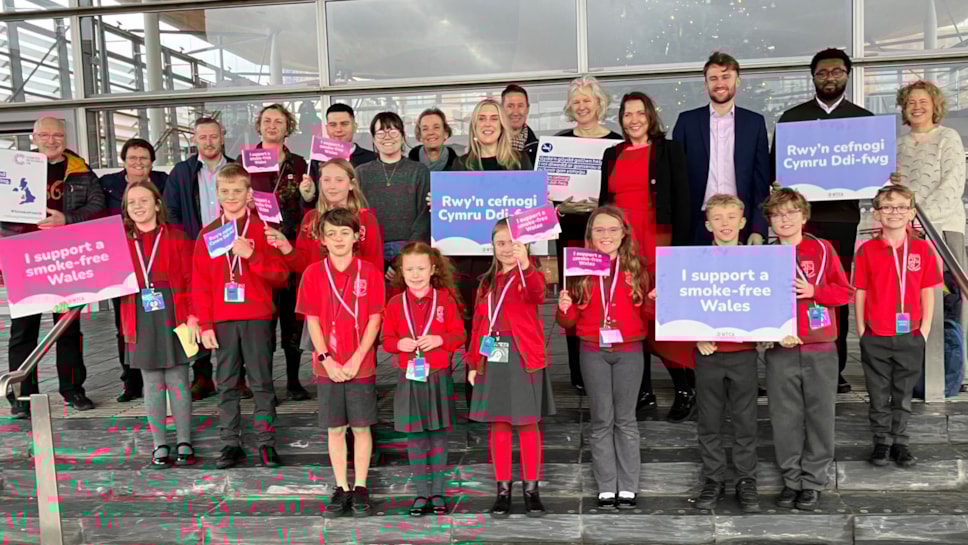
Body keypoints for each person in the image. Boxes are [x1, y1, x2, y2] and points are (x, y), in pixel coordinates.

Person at [770, 48, 874, 394]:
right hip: (798, 224)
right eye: (822, 72)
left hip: (841, 221)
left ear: (847, 74)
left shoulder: (863, 120)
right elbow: (777, 173)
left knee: (831, 293)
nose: (829, 77)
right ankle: (786, 355)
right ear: (813, 77)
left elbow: (873, 171)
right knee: (787, 291)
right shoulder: (792, 119)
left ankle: (835, 366)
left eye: (836, 71)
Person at [599, 92, 693, 420]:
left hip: (659, 245)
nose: (634, 119)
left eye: (640, 113)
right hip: (624, 248)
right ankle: (643, 392)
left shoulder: (669, 151)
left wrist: (679, 254)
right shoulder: (611, 155)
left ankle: (685, 388)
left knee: (664, 317)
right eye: (627, 114)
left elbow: (683, 203)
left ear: (651, 116)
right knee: (630, 315)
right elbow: (603, 208)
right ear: (621, 120)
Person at [2, 116, 103, 417]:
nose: (51, 140)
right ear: (33, 137)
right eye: (44, 134)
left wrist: (66, 220)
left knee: (68, 329)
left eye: (57, 134)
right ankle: (21, 397)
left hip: (65, 257)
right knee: (23, 330)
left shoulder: (81, 170)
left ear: (65, 137)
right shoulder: (15, 168)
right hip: (25, 258)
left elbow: (97, 205)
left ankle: (73, 390)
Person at [192, 164, 288, 469]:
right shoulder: (208, 233)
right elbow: (200, 283)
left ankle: (265, 443)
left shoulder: (262, 230)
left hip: (257, 316)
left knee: (261, 382)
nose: (231, 196)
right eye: (225, 191)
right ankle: (230, 444)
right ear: (217, 195)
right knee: (227, 383)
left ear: (249, 195)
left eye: (237, 191)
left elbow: (281, 276)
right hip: (222, 319)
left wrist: (254, 256)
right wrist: (205, 323)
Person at [761, 188, 849, 510]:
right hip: (780, 350)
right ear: (770, 220)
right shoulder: (763, 255)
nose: (784, 219)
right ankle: (791, 480)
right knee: (784, 418)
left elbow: (845, 293)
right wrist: (768, 334)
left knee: (820, 416)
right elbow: (753, 303)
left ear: (804, 215)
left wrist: (816, 291)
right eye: (777, 214)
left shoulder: (823, 250)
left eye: (790, 212)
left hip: (820, 345)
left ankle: (813, 481)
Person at [556, 206, 648, 510]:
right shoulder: (580, 268)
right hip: (592, 348)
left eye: (612, 229)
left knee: (626, 419)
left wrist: (653, 301)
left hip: (630, 349)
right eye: (599, 230)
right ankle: (607, 485)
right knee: (601, 419)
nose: (606, 235)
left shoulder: (636, 268)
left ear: (624, 233)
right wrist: (564, 306)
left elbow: (647, 315)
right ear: (590, 236)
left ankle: (629, 485)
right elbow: (567, 323)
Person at [296, 208, 385, 518]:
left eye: (344, 233)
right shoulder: (312, 273)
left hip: (361, 362)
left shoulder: (370, 272)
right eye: (331, 233)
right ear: (321, 238)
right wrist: (326, 359)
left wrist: (358, 358)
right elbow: (312, 320)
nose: (338, 239)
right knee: (335, 428)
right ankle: (341, 487)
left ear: (357, 236)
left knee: (361, 427)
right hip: (328, 365)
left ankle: (360, 485)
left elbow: (375, 320)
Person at [467, 219, 555, 518]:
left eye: (513, 243)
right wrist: (473, 361)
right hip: (493, 355)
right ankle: (503, 489)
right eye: (501, 243)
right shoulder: (486, 282)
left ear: (525, 246)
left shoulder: (530, 276)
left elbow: (536, 294)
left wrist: (525, 264)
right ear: (492, 246)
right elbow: (480, 324)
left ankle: (531, 489)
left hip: (522, 355)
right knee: (499, 426)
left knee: (528, 425)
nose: (507, 248)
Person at [855, 185, 943, 468]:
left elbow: (928, 290)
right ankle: (881, 441)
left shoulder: (922, 249)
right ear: (877, 214)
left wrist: (924, 330)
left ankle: (900, 441)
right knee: (878, 392)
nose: (895, 212)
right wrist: (861, 330)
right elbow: (861, 291)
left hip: (910, 334)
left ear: (912, 213)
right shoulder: (867, 249)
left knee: (903, 392)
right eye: (888, 207)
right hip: (876, 334)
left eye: (902, 207)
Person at [119, 181, 200, 468]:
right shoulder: (121, 243)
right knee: (151, 382)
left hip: (175, 311)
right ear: (127, 210)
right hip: (138, 314)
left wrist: (193, 314)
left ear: (157, 204)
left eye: (144, 200)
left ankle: (184, 440)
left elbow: (192, 279)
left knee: (178, 378)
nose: (138, 206)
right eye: (132, 203)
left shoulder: (178, 237)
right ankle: (159, 444)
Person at [892, 80, 967, 391]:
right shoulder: (897, 145)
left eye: (923, 101)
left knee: (950, 305)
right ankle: (918, 373)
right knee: (912, 305)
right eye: (910, 102)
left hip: (943, 230)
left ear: (936, 105)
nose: (917, 106)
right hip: (908, 233)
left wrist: (922, 220)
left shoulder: (949, 138)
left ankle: (953, 375)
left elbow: (953, 184)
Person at [382, 242, 465, 517]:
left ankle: (439, 492)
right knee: (416, 437)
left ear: (432, 269)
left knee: (439, 436)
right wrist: (400, 344)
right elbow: (387, 340)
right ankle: (421, 493)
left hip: (438, 375)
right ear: (401, 272)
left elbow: (459, 335)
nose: (415, 274)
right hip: (410, 377)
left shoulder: (446, 300)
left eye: (420, 268)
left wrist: (440, 338)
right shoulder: (395, 303)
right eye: (409, 269)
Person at [689, 194, 760, 513]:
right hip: (708, 353)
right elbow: (687, 303)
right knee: (710, 419)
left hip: (744, 352)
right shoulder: (694, 260)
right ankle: (713, 478)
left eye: (732, 217)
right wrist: (695, 336)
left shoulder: (759, 261)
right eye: (718, 218)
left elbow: (763, 303)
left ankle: (746, 479)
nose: (725, 224)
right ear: (708, 224)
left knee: (745, 419)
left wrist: (767, 331)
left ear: (743, 222)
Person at [554, 75, 624, 394]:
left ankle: (613, 360)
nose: (582, 106)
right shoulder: (559, 141)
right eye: (576, 101)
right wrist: (557, 205)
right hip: (570, 232)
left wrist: (605, 203)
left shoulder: (617, 143)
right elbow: (547, 196)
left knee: (608, 298)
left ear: (600, 103)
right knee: (576, 299)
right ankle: (579, 371)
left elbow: (623, 191)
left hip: (605, 236)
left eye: (587, 99)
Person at [163, 116, 235, 401]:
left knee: (231, 313)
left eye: (213, 136)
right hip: (198, 252)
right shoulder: (181, 172)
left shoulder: (236, 168)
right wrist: (188, 247)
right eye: (202, 137)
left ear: (222, 136)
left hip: (232, 253)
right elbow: (172, 213)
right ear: (194, 140)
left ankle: (235, 376)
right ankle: (203, 375)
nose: (208, 142)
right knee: (199, 310)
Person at [672, 52, 770, 245]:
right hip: (696, 223)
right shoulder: (687, 122)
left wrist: (758, 229)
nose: (719, 83)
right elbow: (676, 179)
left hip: (740, 222)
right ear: (706, 83)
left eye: (726, 77)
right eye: (713, 78)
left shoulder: (754, 123)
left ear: (738, 81)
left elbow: (760, 182)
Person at [249, 103, 311, 403]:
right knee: (261, 321)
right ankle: (264, 385)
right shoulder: (245, 161)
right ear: (259, 126)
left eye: (279, 121)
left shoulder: (301, 165)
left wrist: (309, 194)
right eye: (267, 121)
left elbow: (309, 207)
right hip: (259, 250)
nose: (273, 125)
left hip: (291, 249)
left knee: (292, 319)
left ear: (289, 127)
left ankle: (294, 380)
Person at [99, 138, 169, 403]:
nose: (139, 163)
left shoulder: (164, 181)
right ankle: (131, 381)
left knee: (162, 321)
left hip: (157, 260)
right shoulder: (109, 185)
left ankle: (166, 374)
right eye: (133, 158)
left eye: (144, 158)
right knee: (126, 325)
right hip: (123, 263)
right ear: (124, 161)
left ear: (152, 162)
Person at [357, 111, 431, 272]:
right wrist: (378, 260)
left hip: (411, 249)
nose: (387, 136)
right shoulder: (361, 173)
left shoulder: (419, 171)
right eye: (381, 132)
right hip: (371, 248)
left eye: (393, 131)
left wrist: (405, 256)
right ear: (373, 139)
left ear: (403, 135)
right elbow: (357, 215)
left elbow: (424, 217)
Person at [502, 84, 539, 164]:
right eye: (510, 106)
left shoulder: (540, 149)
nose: (515, 112)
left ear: (527, 109)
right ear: (501, 109)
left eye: (520, 106)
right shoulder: (489, 147)